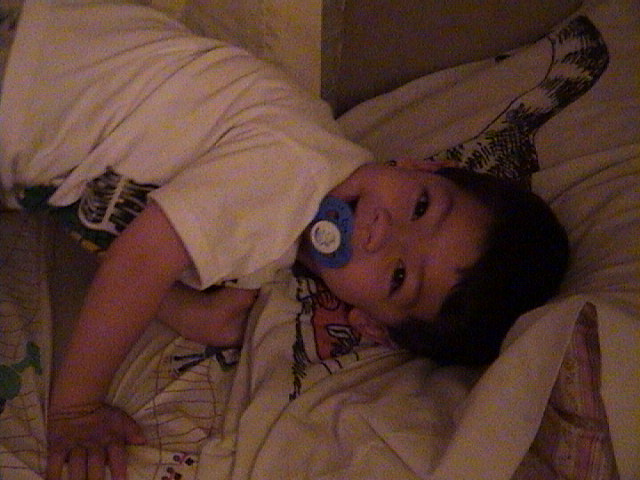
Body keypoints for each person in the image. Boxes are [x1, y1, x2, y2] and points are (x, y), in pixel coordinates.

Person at [0, 2, 568, 480]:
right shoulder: (293, 173)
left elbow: (115, 230)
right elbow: (140, 260)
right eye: (420, 206)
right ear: (424, 166)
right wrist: (76, 409)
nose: (383, 230)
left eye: (399, 276)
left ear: (372, 324)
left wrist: (192, 313)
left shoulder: (284, 215)